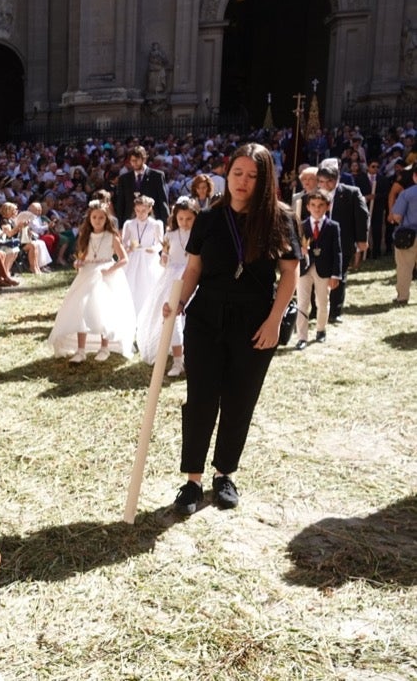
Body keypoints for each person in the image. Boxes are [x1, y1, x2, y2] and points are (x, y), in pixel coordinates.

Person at [164, 142, 299, 515]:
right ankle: (192, 481)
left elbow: (290, 274)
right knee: (201, 399)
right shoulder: (208, 218)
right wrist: (179, 300)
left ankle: (224, 474)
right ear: (228, 174)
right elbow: (193, 269)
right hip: (206, 318)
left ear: (264, 179)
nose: (242, 182)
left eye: (252, 176)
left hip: (256, 323)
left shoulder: (280, 218)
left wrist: (274, 321)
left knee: (240, 400)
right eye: (237, 173)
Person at [47, 201, 134, 363]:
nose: (98, 220)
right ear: (89, 219)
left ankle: (104, 346)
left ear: (106, 219)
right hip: (87, 274)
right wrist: (77, 263)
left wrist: (110, 269)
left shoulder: (111, 237)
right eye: (94, 217)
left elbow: (124, 259)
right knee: (81, 309)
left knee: (102, 310)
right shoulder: (85, 236)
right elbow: (82, 257)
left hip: (104, 275)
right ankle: (81, 350)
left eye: (101, 217)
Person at [137, 196, 199, 376]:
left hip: (191, 277)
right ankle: (177, 360)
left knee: (189, 319)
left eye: (189, 219)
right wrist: (164, 256)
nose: (185, 223)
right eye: (181, 219)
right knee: (172, 317)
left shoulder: (199, 235)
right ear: (175, 218)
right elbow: (165, 260)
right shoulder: (170, 235)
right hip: (171, 279)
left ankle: (190, 355)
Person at [314, 159, 368, 324]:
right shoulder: (314, 195)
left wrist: (361, 240)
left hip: (343, 241)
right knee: (317, 274)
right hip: (319, 241)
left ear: (336, 179)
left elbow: (361, 216)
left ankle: (335, 311)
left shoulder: (351, 193)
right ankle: (316, 309)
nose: (324, 185)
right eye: (321, 181)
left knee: (339, 274)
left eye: (328, 181)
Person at [293, 191, 342, 350]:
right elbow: (293, 247)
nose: (317, 209)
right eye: (313, 205)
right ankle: (302, 336)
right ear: (307, 207)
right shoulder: (301, 225)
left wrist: (336, 274)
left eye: (321, 205)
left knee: (322, 301)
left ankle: (321, 330)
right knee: (302, 302)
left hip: (324, 269)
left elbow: (337, 251)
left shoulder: (333, 227)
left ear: (327, 207)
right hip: (304, 269)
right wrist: (301, 251)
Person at [121, 195, 165, 316]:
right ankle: (131, 312)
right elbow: (124, 241)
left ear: (149, 209)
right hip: (134, 257)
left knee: (148, 284)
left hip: (148, 257)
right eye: (137, 211)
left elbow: (160, 243)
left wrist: (154, 249)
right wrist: (128, 248)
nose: (140, 214)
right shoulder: (129, 224)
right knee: (131, 283)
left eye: (143, 211)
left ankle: (148, 313)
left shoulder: (156, 224)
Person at [115, 145, 169, 228]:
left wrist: (166, 224)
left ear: (144, 159)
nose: (134, 163)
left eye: (137, 160)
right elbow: (121, 204)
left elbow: (162, 201)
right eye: (132, 160)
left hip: (152, 220)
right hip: (131, 221)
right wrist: (120, 226)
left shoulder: (157, 176)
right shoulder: (124, 179)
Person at [388, 178, 417, 304]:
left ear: (415, 176)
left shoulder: (407, 193)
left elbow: (397, 215)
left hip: (408, 235)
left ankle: (403, 297)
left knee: (404, 267)